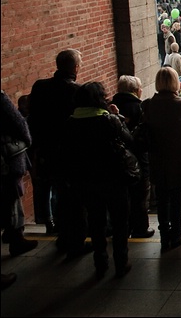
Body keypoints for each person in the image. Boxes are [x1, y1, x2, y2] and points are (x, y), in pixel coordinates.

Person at [63, 82, 133, 279]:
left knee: (96, 220)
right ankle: (121, 261)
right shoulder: (108, 120)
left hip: (85, 180)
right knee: (120, 222)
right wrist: (117, 116)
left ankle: (100, 261)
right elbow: (129, 140)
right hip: (113, 178)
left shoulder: (70, 122)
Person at [27, 49, 86, 255]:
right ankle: (74, 240)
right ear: (76, 68)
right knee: (72, 197)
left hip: (46, 150)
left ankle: (61, 233)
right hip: (69, 153)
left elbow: (32, 119)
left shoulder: (39, 87)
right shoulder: (76, 91)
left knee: (57, 191)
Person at [141, 67, 181, 252]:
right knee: (176, 197)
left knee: (162, 198)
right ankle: (176, 233)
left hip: (157, 156)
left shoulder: (148, 104)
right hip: (178, 158)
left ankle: (164, 235)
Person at [111, 75, 153, 239]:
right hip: (138, 158)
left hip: (115, 158)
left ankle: (123, 227)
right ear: (136, 90)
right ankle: (140, 228)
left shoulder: (110, 106)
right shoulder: (140, 107)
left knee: (120, 196)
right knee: (140, 195)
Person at [1, 91, 37, 262]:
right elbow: (18, 122)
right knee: (13, 197)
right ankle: (16, 238)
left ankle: (11, 233)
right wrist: (27, 141)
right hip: (7, 159)